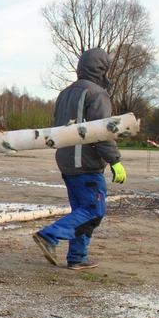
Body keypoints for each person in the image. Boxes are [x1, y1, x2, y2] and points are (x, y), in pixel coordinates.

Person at [32, 47, 126, 270]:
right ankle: (49, 236)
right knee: (94, 210)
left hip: (66, 160)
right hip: (85, 163)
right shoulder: (97, 94)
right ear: (102, 69)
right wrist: (115, 160)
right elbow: (101, 131)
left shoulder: (65, 93)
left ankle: (78, 257)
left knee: (81, 211)